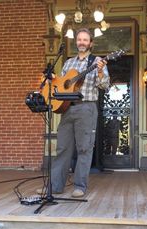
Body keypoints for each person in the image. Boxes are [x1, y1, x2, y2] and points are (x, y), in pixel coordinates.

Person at [51, 28, 110, 198]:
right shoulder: (68, 63)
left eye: (85, 40)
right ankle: (56, 186)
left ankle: (80, 186)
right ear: (76, 42)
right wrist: (52, 80)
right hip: (67, 108)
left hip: (86, 108)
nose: (82, 42)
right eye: (79, 39)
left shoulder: (97, 61)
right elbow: (61, 84)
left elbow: (105, 85)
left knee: (84, 148)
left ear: (91, 43)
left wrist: (99, 71)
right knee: (62, 148)